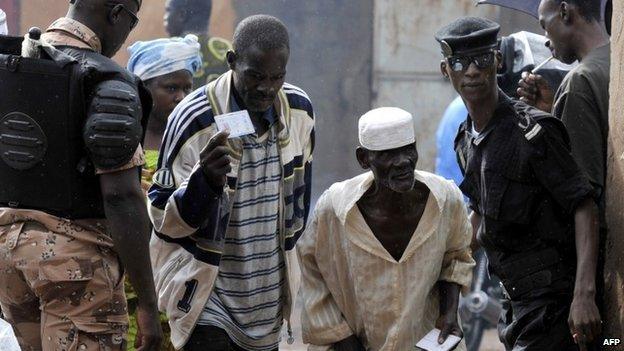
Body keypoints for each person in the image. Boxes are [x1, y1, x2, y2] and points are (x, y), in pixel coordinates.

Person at [0, 0, 162, 350]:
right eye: (131, 23)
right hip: (75, 270)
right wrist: (148, 304)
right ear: (117, 14)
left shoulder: (13, 63)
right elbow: (120, 195)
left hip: (9, 260)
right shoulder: (107, 80)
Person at [147, 14, 315, 350]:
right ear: (232, 61)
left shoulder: (299, 111)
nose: (267, 88)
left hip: (266, 300)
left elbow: (299, 201)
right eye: (255, 76)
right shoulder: (195, 118)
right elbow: (161, 218)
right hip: (205, 294)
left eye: (277, 77)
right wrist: (203, 184)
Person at [437, 17, 601, 350]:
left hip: (553, 304)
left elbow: (583, 205)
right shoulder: (465, 140)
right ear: (446, 71)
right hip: (514, 305)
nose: (471, 71)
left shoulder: (532, 132)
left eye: (482, 59)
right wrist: (441, 266)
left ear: (497, 61)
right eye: (460, 62)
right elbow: (480, 215)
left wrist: (584, 295)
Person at [298, 107, 474, 350]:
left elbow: (457, 257)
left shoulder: (445, 200)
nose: (402, 161)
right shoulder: (335, 209)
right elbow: (313, 271)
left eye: (408, 149)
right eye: (388, 154)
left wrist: (449, 312)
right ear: (363, 159)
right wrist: (342, 338)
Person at [126, 35, 203, 190]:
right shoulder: (126, 135)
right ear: (143, 89)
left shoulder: (196, 136)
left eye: (187, 88)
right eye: (171, 88)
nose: (181, 97)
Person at [164, 0, 233, 87]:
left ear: (181, 15)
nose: (165, 17)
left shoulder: (166, 51)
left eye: (168, 10)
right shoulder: (228, 50)